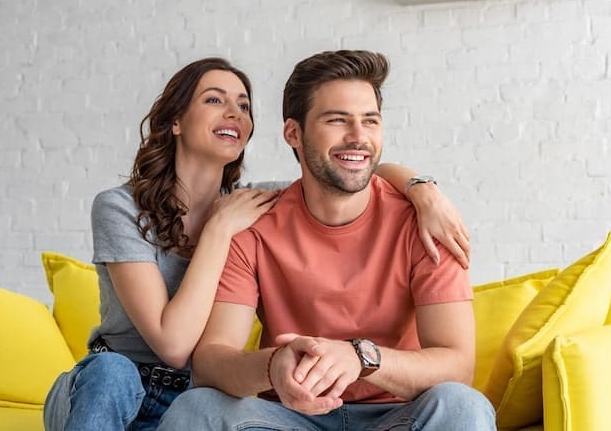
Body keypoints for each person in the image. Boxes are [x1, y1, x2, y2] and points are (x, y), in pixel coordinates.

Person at [42, 57, 473, 431]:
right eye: (214, 100)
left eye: (244, 106)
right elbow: (176, 347)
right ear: (175, 120)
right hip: (118, 382)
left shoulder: (252, 203)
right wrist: (217, 231)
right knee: (121, 377)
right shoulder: (132, 209)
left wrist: (421, 189)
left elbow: (348, 174)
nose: (234, 113)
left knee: (462, 404)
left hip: (189, 393)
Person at [157, 51, 495, 430]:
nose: (359, 137)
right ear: (293, 133)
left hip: (398, 417)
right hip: (290, 418)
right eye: (337, 120)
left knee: (463, 406)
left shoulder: (427, 221)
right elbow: (210, 362)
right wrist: (273, 366)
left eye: (370, 121)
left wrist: (361, 358)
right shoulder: (252, 225)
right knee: (195, 409)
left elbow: (458, 365)